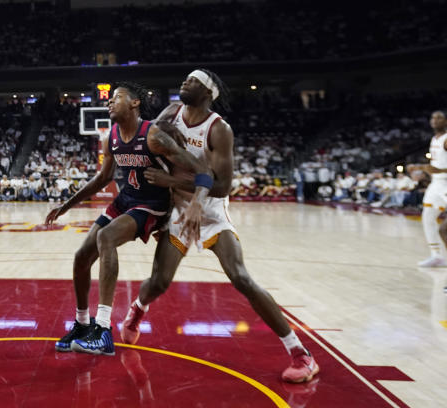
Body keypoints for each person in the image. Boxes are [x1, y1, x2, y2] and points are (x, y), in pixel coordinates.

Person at [122, 70, 319, 383]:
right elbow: (153, 136)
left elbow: (224, 185)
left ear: (208, 92)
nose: (185, 82)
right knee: (159, 281)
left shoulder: (219, 129)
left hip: (211, 211)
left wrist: (174, 181)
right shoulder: (171, 112)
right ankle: (137, 308)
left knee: (241, 277)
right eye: (185, 79)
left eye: (193, 81)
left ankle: (300, 354)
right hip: (180, 210)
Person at [45, 84, 212, 356]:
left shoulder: (154, 136)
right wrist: (67, 205)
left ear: (135, 103)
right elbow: (103, 179)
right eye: (109, 100)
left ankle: (103, 330)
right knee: (81, 256)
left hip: (152, 205)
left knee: (106, 237)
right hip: (126, 200)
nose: (110, 103)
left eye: (117, 98)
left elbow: (203, 171)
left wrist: (195, 203)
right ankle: (82, 323)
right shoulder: (110, 136)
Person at [411, 110, 447, 267]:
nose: (435, 120)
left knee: (444, 228)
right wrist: (425, 174)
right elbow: (435, 166)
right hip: (436, 183)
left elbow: (438, 168)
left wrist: (423, 167)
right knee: (427, 217)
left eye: (439, 118)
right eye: (433, 117)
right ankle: (436, 255)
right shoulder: (434, 139)